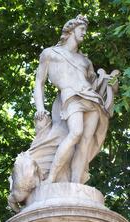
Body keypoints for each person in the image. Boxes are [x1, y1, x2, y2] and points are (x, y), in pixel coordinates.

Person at [34, 15, 115, 184]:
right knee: (75, 133)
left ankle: (76, 183)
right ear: (71, 30)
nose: (85, 33)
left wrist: (110, 84)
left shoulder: (85, 61)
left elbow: (95, 84)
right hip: (71, 96)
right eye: (82, 29)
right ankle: (51, 177)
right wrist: (40, 108)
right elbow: (39, 83)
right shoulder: (50, 53)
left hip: (93, 100)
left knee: (85, 141)